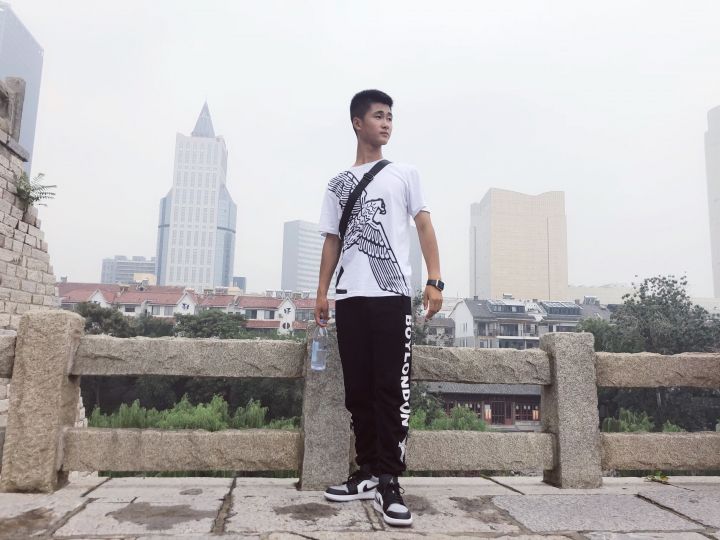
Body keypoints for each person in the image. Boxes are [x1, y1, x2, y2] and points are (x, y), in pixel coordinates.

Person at [315, 89, 443, 527]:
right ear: (358, 123)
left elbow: (424, 225)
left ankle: (390, 480)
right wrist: (322, 292)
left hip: (391, 298)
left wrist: (434, 280)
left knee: (391, 389)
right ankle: (367, 472)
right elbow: (332, 240)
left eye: (390, 117)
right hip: (350, 298)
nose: (387, 123)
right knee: (358, 391)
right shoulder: (338, 183)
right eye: (378, 116)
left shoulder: (404, 174)